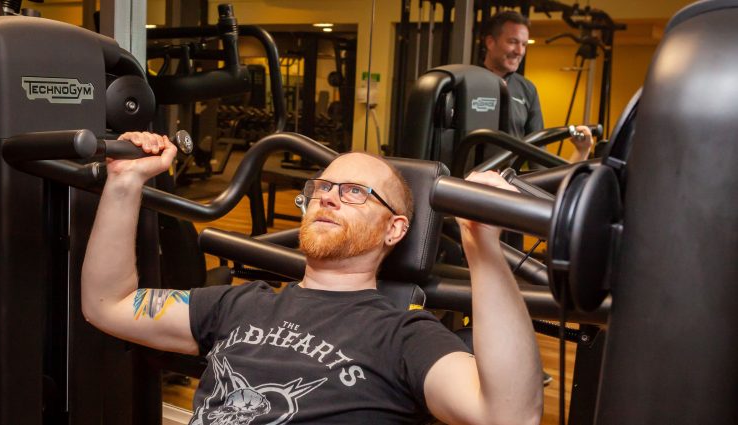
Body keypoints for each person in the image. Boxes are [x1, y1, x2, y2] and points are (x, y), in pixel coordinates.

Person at [81, 132, 543, 425]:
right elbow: (107, 303)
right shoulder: (239, 305)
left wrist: (481, 246)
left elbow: (510, 416)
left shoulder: (403, 336)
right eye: (321, 187)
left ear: (395, 229)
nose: (328, 198)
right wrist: (125, 183)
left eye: (355, 192)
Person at [482, 10, 594, 162]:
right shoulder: (467, 81)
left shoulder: (527, 89)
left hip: (507, 181)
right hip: (465, 180)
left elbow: (537, 152)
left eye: (524, 44)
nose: (520, 51)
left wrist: (582, 152)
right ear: (490, 42)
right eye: (512, 42)